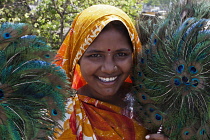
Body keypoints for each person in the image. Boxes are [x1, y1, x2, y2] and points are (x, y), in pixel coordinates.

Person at [54, 4, 168, 140]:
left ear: (134, 55)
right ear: (77, 59)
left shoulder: (157, 106)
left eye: (121, 54)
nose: (109, 68)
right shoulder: (59, 118)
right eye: (95, 55)